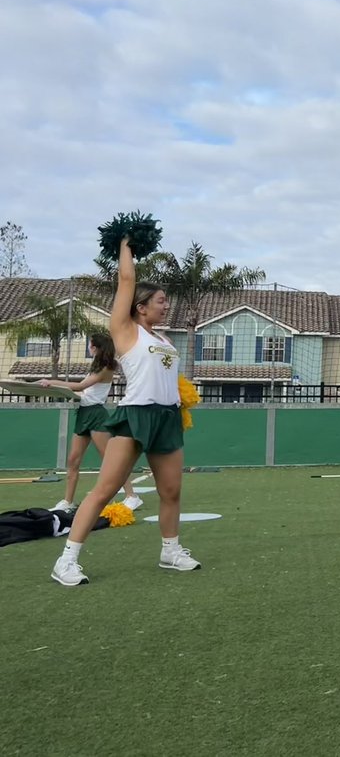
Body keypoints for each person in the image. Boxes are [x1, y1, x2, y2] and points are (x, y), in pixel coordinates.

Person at [51, 237, 200, 586]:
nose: (166, 306)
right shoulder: (125, 331)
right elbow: (127, 282)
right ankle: (67, 560)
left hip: (167, 418)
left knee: (172, 491)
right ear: (140, 307)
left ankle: (170, 550)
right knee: (104, 489)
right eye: (161, 301)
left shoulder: (162, 340)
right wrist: (125, 245)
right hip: (135, 415)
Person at [41, 332, 142, 512]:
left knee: (111, 460)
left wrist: (51, 382)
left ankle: (132, 496)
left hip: (96, 415)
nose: (89, 347)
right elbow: (84, 392)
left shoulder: (107, 367)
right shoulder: (95, 366)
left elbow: (81, 386)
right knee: (73, 460)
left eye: (90, 344)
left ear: (95, 348)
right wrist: (66, 392)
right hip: (84, 413)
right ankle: (68, 502)